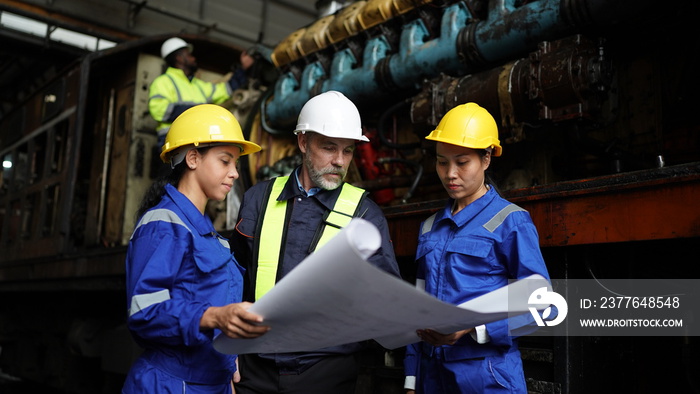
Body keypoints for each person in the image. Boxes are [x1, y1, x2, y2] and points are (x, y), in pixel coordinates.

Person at [230, 90, 401, 394]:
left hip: (326, 374)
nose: (339, 161)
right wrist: (229, 354)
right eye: (329, 147)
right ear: (303, 142)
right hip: (255, 370)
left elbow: (385, 301)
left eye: (348, 151)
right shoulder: (258, 199)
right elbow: (232, 282)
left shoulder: (365, 215)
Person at [403, 103, 552, 394]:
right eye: (442, 162)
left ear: (486, 159)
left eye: (462, 162)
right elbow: (416, 309)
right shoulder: (429, 227)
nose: (450, 174)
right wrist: (411, 380)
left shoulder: (511, 222)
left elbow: (542, 307)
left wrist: (473, 329)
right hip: (432, 377)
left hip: (487, 377)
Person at [122, 104, 270, 393]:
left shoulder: (206, 233)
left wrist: (228, 361)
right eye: (225, 161)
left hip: (209, 383)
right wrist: (214, 316)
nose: (235, 173)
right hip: (170, 385)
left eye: (236, 164)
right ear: (193, 158)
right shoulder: (164, 224)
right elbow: (145, 312)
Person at [149, 36, 255, 148]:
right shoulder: (163, 82)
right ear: (179, 58)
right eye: (189, 55)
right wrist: (198, 112)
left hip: (197, 139)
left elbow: (226, 89)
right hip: (171, 141)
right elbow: (159, 110)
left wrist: (243, 68)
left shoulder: (198, 85)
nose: (193, 59)